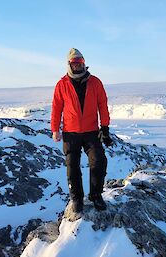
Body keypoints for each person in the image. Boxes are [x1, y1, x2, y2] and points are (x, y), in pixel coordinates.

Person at [51, 48, 113, 213]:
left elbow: (103, 105)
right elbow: (56, 108)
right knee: (72, 166)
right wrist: (55, 129)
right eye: (74, 62)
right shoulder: (62, 84)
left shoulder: (95, 82)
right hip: (71, 133)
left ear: (84, 63)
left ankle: (96, 195)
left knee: (99, 161)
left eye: (81, 62)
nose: (78, 65)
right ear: (69, 64)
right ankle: (76, 199)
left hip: (91, 131)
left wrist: (105, 128)